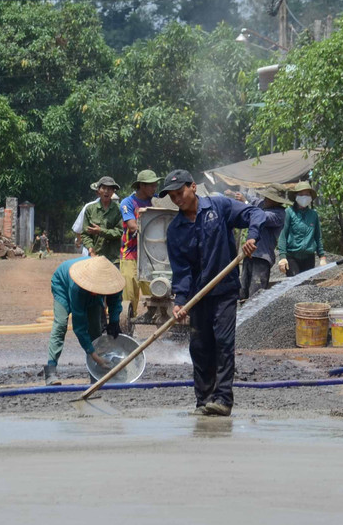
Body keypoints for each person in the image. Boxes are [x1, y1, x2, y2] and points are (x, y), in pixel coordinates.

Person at [162, 169, 265, 417]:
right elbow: (182, 271)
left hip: (225, 290)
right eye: (173, 197)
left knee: (223, 342)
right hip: (199, 296)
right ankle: (204, 400)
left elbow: (255, 213)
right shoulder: (175, 230)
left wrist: (252, 238)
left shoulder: (218, 207)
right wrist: (179, 301)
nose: (177, 199)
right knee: (199, 346)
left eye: (180, 193)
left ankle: (223, 399)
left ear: (193, 187)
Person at [42, 256, 123, 385]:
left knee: (95, 328)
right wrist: (93, 355)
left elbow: (115, 301)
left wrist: (114, 321)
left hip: (89, 292)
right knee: (61, 324)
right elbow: (79, 326)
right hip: (62, 284)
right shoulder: (77, 287)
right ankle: (51, 370)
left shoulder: (111, 280)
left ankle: (95, 372)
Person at [119, 170, 160, 319]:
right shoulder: (127, 203)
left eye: (156, 185)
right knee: (129, 294)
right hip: (131, 253)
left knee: (157, 291)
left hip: (152, 254)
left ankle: (159, 319)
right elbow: (132, 225)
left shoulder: (157, 200)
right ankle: (128, 325)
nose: (155, 188)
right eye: (151, 185)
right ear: (142, 185)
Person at [240, 184, 287, 300]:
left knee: (255, 295)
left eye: (268, 197)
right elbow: (252, 199)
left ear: (276, 201)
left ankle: (254, 318)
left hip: (262, 258)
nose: (265, 199)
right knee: (242, 291)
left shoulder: (279, 214)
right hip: (249, 254)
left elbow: (259, 217)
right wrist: (238, 194)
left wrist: (245, 203)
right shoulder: (263, 204)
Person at [277, 181, 325, 276]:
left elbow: (317, 237)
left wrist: (322, 257)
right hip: (292, 256)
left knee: (306, 286)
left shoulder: (313, 215)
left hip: (309, 257)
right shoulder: (289, 213)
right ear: (295, 196)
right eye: (301, 194)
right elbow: (283, 235)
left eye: (307, 194)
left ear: (310, 196)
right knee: (295, 283)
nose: (304, 197)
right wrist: (282, 256)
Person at [82, 176, 123, 265]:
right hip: (95, 257)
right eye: (104, 188)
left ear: (113, 192)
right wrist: (91, 250)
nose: (106, 191)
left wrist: (101, 231)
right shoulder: (90, 209)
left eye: (110, 189)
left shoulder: (119, 210)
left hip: (114, 259)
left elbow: (120, 232)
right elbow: (85, 234)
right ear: (98, 191)